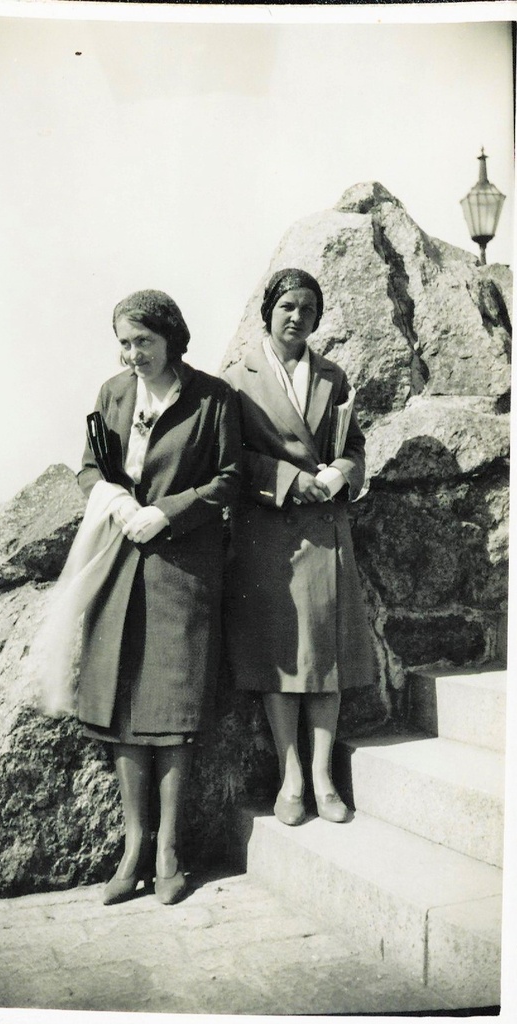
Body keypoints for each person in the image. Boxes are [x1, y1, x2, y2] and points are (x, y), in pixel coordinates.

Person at [76, 289, 241, 905]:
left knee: (174, 713)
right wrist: (118, 502)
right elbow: (90, 467)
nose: (131, 353)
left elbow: (229, 480)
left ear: (172, 338)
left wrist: (167, 513)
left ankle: (170, 851)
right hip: (119, 560)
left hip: (182, 568)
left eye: (142, 341)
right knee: (122, 711)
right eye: (123, 342)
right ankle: (132, 850)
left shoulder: (213, 398)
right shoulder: (113, 394)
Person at [223, 268, 373, 826]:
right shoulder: (239, 379)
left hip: (326, 531)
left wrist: (339, 475)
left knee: (325, 662)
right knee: (280, 661)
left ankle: (323, 777)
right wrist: (286, 480)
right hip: (269, 533)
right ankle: (291, 776)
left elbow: (355, 446)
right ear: (269, 310)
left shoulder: (334, 375)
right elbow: (230, 458)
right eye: (288, 305)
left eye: (308, 309)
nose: (297, 316)